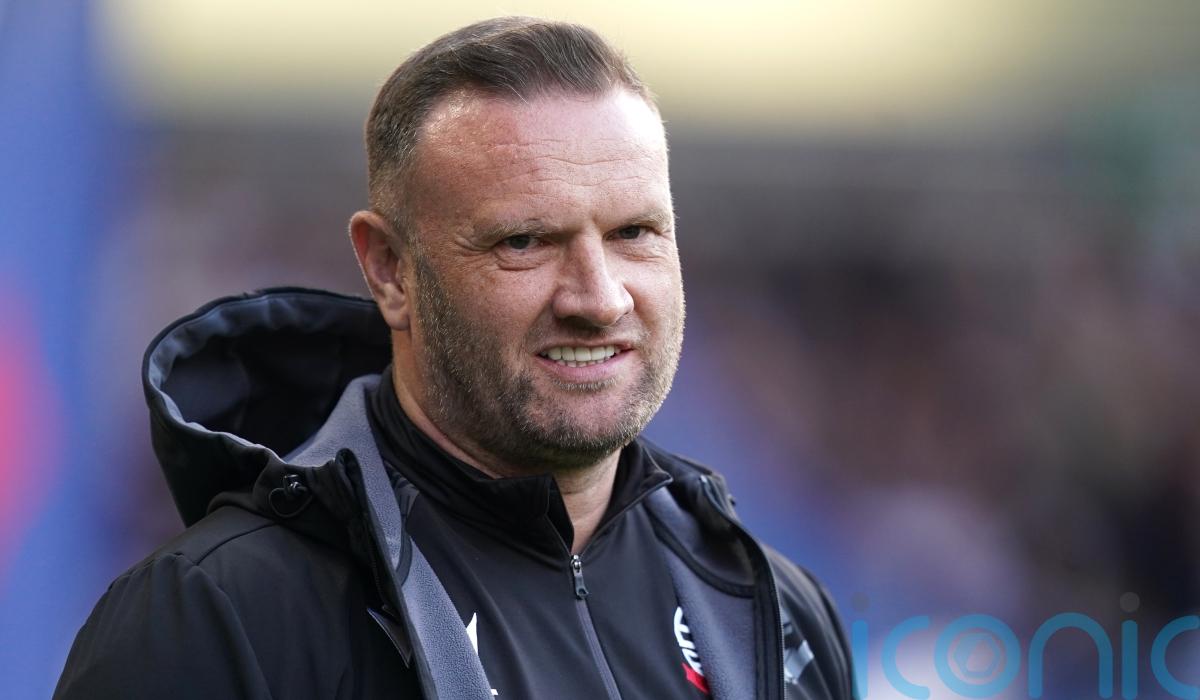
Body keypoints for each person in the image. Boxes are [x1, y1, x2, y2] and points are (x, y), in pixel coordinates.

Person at [55, 17, 853, 699]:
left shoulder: (769, 609)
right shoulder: (215, 616)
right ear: (389, 270)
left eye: (634, 233)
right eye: (524, 241)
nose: (599, 297)